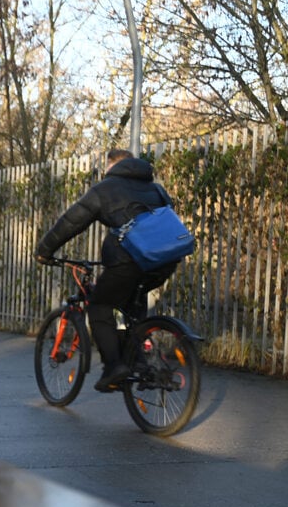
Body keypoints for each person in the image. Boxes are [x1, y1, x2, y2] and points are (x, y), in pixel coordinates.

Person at [34, 149, 179, 392]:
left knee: (100, 305)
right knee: (133, 309)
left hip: (128, 262)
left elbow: (71, 222)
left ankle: (114, 367)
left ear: (112, 166)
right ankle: (141, 365)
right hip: (164, 262)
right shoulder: (156, 189)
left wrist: (44, 250)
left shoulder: (106, 189)